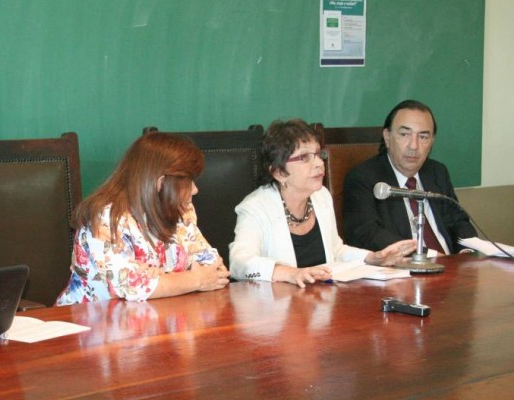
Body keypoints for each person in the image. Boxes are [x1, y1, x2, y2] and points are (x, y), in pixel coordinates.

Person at [229, 119, 415, 287]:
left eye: (318, 154)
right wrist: (291, 274)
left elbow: (336, 250)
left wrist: (372, 258)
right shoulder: (255, 208)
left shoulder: (321, 197)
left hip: (320, 306)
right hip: (276, 312)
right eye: (304, 157)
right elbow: (239, 263)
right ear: (279, 172)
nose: (319, 163)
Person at [56, 132, 230, 305]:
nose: (195, 190)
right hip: (90, 324)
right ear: (160, 183)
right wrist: (194, 280)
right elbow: (133, 286)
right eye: (188, 182)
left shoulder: (180, 211)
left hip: (158, 317)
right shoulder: (106, 219)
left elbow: (216, 270)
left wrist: (162, 279)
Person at [343, 100, 476, 254]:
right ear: (387, 137)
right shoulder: (363, 178)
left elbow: (459, 222)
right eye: (405, 134)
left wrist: (467, 253)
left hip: (453, 269)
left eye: (423, 137)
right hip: (404, 270)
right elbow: (366, 234)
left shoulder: (437, 172)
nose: (414, 146)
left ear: (432, 142)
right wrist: (427, 256)